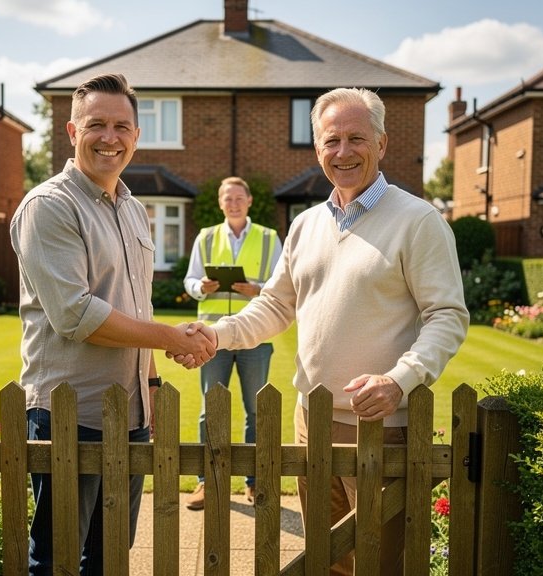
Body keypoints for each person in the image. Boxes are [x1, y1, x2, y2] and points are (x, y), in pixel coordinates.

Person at [181, 87, 469, 575]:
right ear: (317, 148)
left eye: (357, 138)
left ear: (382, 144)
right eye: (331, 140)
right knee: (326, 559)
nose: (343, 151)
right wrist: (218, 334)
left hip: (382, 426)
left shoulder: (418, 220)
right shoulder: (306, 224)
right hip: (308, 421)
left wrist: (399, 378)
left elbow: (448, 315)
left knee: (380, 562)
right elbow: (274, 306)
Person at [10, 73, 215, 576]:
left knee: (110, 556)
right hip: (68, 414)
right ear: (72, 130)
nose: (110, 137)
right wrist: (172, 337)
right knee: (57, 559)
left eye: (122, 126)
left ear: (136, 136)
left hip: (131, 416)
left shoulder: (132, 208)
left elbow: (134, 305)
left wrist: (149, 377)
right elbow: (77, 314)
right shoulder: (50, 206)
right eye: (96, 124)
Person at [182, 176, 282, 510]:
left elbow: (283, 284)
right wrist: (201, 289)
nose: (234, 203)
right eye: (228, 198)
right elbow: (191, 279)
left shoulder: (269, 238)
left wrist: (258, 289)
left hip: (255, 336)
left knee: (256, 410)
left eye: (239, 197)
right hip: (212, 337)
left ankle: (254, 484)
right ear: (221, 202)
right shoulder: (205, 237)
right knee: (211, 409)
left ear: (249, 201)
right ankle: (205, 483)